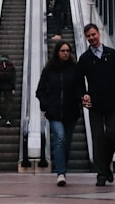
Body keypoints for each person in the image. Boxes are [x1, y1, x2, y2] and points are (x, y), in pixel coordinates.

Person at [78, 23, 115, 187]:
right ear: (86, 38)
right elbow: (79, 81)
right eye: (88, 36)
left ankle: (105, 163)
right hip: (95, 104)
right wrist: (83, 94)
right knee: (97, 137)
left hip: (113, 102)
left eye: (93, 34)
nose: (92, 38)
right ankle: (101, 173)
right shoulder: (85, 59)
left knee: (113, 134)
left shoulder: (111, 54)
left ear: (98, 34)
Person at [36, 40, 83, 187]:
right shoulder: (49, 69)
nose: (65, 53)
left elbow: (80, 88)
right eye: (62, 51)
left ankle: (63, 170)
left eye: (68, 51)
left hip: (71, 112)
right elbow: (40, 90)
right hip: (54, 113)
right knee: (60, 139)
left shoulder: (75, 69)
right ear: (57, 52)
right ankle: (60, 173)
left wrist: (82, 98)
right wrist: (46, 105)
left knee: (66, 144)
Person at [0, 54, 17, 125]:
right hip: (8, 86)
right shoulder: (10, 64)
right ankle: (8, 119)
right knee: (9, 102)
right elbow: (14, 76)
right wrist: (13, 87)